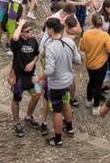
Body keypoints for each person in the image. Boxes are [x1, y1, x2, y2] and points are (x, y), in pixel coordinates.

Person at [34, 16, 80, 147]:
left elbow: (49, 70)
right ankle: (70, 128)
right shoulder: (70, 42)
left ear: (51, 30)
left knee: (57, 111)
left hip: (56, 84)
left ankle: (58, 138)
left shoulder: (51, 47)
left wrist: (38, 78)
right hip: (68, 81)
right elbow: (78, 60)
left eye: (47, 29)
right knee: (66, 103)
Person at [10, 16, 42, 134]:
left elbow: (37, 55)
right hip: (19, 77)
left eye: (30, 30)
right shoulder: (17, 43)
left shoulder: (33, 40)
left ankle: (28, 116)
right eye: (27, 31)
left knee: (37, 95)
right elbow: (14, 37)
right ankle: (16, 122)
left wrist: (32, 62)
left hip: (31, 75)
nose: (30, 33)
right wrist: (19, 25)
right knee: (16, 99)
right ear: (21, 32)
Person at [80, 12, 110, 113]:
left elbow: (82, 47)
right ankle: (96, 107)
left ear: (92, 22)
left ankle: (88, 100)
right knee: (98, 85)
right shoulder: (105, 35)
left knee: (91, 81)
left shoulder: (86, 33)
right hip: (101, 64)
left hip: (89, 63)